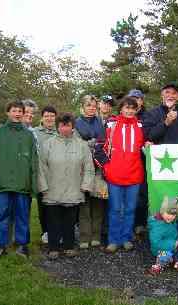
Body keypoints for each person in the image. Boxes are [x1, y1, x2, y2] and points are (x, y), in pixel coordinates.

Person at [0, 101, 38, 258]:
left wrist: (33, 183)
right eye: (14, 110)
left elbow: (34, 161)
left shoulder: (28, 135)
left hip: (23, 184)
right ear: (8, 113)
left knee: (22, 216)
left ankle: (22, 245)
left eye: (20, 111)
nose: (17, 113)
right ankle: (1, 246)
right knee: (1, 215)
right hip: (2, 184)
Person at [38, 113, 94, 259]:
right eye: (62, 125)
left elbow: (89, 167)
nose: (64, 128)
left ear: (72, 127)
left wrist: (86, 185)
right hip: (52, 190)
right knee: (53, 220)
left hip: (74, 189)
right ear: (58, 126)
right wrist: (43, 187)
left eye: (67, 125)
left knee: (69, 221)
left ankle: (69, 246)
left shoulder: (82, 145)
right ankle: (53, 248)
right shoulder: (48, 144)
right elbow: (41, 167)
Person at [95, 97, 145, 253]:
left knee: (130, 209)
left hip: (134, 175)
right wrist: (107, 167)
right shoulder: (111, 124)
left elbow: (147, 146)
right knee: (115, 209)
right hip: (115, 175)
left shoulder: (141, 126)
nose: (129, 111)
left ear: (136, 110)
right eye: (126, 108)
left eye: (133, 108)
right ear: (121, 109)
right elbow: (98, 147)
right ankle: (113, 240)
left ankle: (126, 238)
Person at [75, 95, 106, 249]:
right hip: (83, 167)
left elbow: (105, 142)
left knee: (98, 202)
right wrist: (88, 145)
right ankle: (84, 236)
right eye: (88, 105)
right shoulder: (76, 123)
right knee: (84, 203)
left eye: (94, 105)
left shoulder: (101, 122)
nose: (91, 108)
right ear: (83, 106)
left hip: (99, 167)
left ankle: (96, 235)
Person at [147, 196, 178, 275]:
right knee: (165, 255)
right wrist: (173, 244)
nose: (171, 216)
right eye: (168, 213)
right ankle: (157, 267)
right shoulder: (157, 226)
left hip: (173, 246)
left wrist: (177, 243)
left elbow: (174, 234)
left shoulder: (171, 221)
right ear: (162, 211)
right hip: (160, 249)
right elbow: (156, 243)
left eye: (173, 214)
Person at [33, 106, 58, 244]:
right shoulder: (35, 132)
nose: (49, 118)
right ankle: (46, 232)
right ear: (42, 117)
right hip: (42, 174)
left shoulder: (59, 131)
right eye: (47, 116)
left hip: (58, 175)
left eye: (52, 116)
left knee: (56, 205)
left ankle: (57, 231)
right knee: (43, 205)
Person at [128, 89, 149, 236]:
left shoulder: (148, 117)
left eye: (138, 98)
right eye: (132, 98)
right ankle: (127, 226)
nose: (135, 100)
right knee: (127, 196)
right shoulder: (121, 117)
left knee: (142, 195)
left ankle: (140, 223)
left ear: (142, 101)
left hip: (143, 161)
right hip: (127, 162)